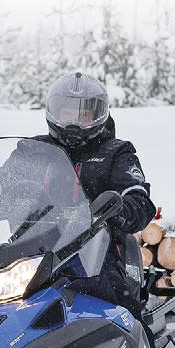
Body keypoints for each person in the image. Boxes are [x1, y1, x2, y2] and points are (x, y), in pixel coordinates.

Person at [40, 71, 157, 318]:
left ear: (98, 115)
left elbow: (139, 198)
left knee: (120, 313)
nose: (74, 121)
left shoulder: (116, 153)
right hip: (33, 250)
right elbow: (1, 184)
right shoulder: (34, 150)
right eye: (68, 113)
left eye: (83, 114)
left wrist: (121, 208)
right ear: (55, 112)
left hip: (95, 254)